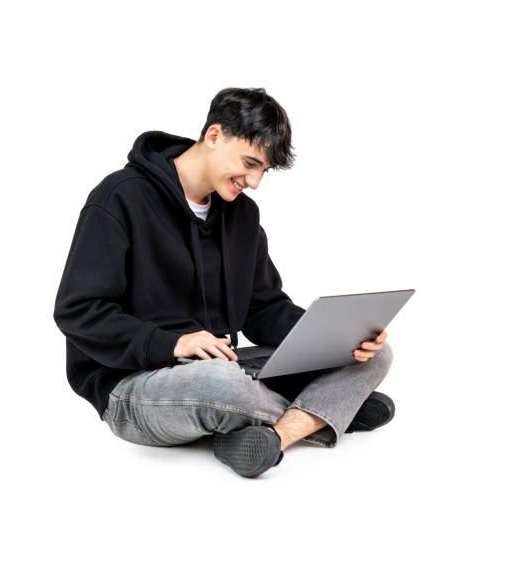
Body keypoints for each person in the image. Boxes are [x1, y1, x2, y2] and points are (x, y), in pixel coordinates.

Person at [53, 87, 395, 478]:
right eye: (250, 163)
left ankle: (279, 435)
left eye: (263, 170)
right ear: (214, 136)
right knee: (222, 384)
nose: (254, 181)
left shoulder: (242, 216)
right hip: (135, 385)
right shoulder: (120, 198)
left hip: (226, 364)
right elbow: (78, 311)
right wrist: (173, 343)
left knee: (376, 356)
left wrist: (335, 337)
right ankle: (328, 411)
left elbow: (263, 309)